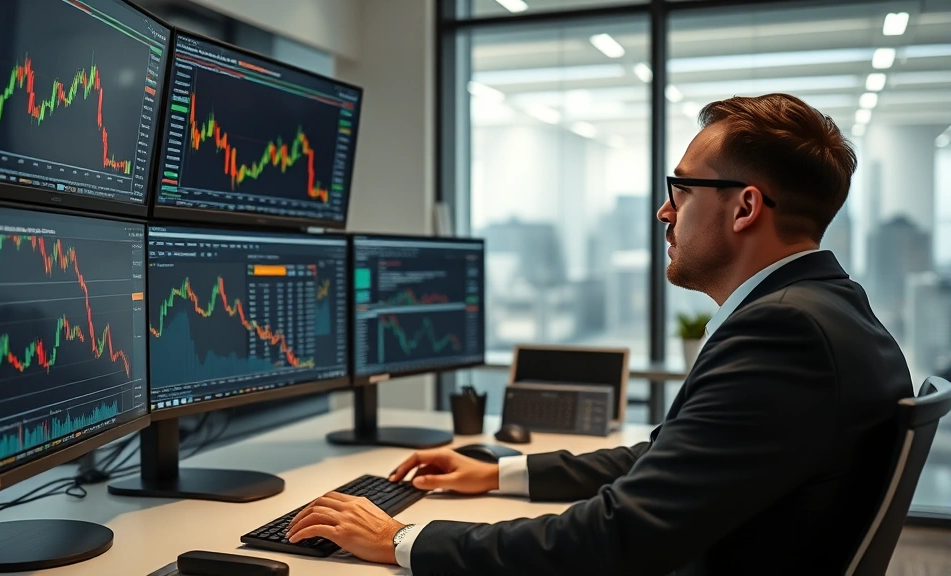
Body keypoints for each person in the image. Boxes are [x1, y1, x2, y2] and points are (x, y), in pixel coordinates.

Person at [285, 93, 913, 575]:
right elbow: (670, 461)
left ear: (745, 207)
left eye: (682, 189)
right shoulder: (827, 308)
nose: (665, 210)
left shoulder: (787, 332)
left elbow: (617, 537)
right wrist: (501, 471)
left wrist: (400, 540)